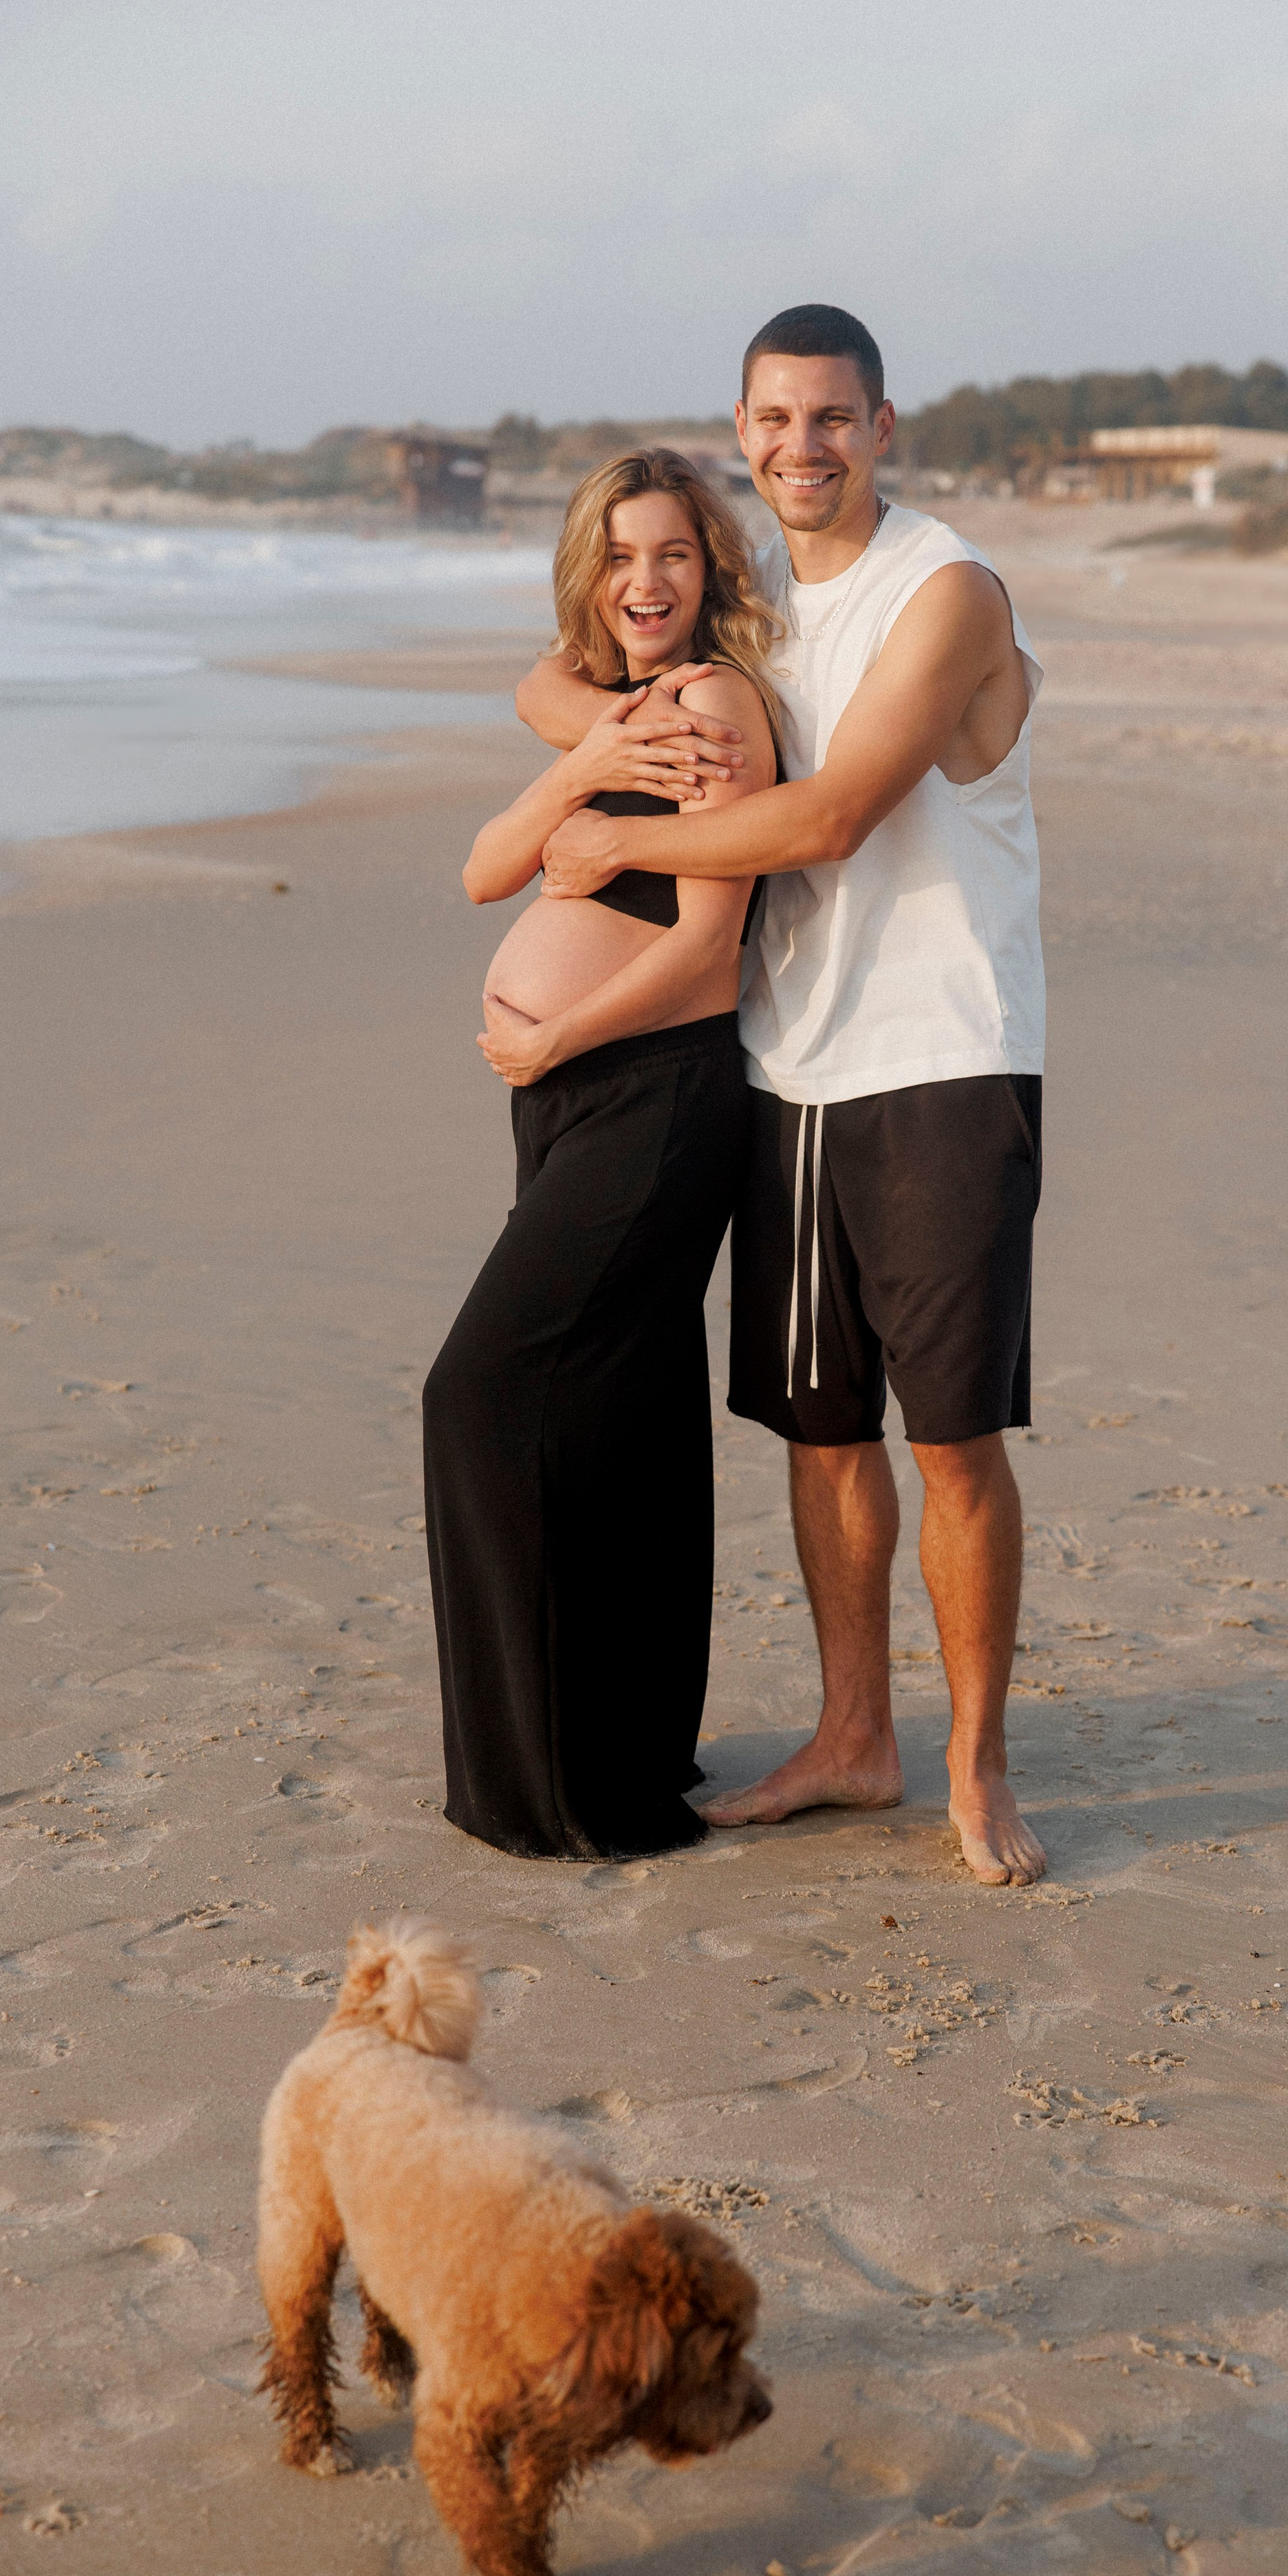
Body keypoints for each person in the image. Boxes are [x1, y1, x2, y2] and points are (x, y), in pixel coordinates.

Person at [520, 306, 1049, 1887]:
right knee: (820, 1430)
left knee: (948, 1438)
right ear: (739, 431)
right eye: (773, 421)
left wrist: (615, 837)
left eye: (831, 419)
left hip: (942, 1055)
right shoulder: (752, 620)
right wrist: (608, 731)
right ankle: (848, 1737)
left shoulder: (943, 591)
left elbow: (825, 819)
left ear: (882, 426)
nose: (799, 448)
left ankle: (972, 1761)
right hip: (787, 1061)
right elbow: (555, 677)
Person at [422, 447, 777, 1860]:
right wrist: (580, 759)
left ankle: (545, 1776)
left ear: (711, 567)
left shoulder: (714, 709)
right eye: (622, 556)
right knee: (617, 1412)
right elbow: (481, 871)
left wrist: (553, 1040)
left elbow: (708, 951)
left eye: (674, 555)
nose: (646, 581)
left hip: (654, 1092)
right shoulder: (618, 715)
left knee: (484, 1391)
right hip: (571, 1094)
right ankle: (625, 1743)